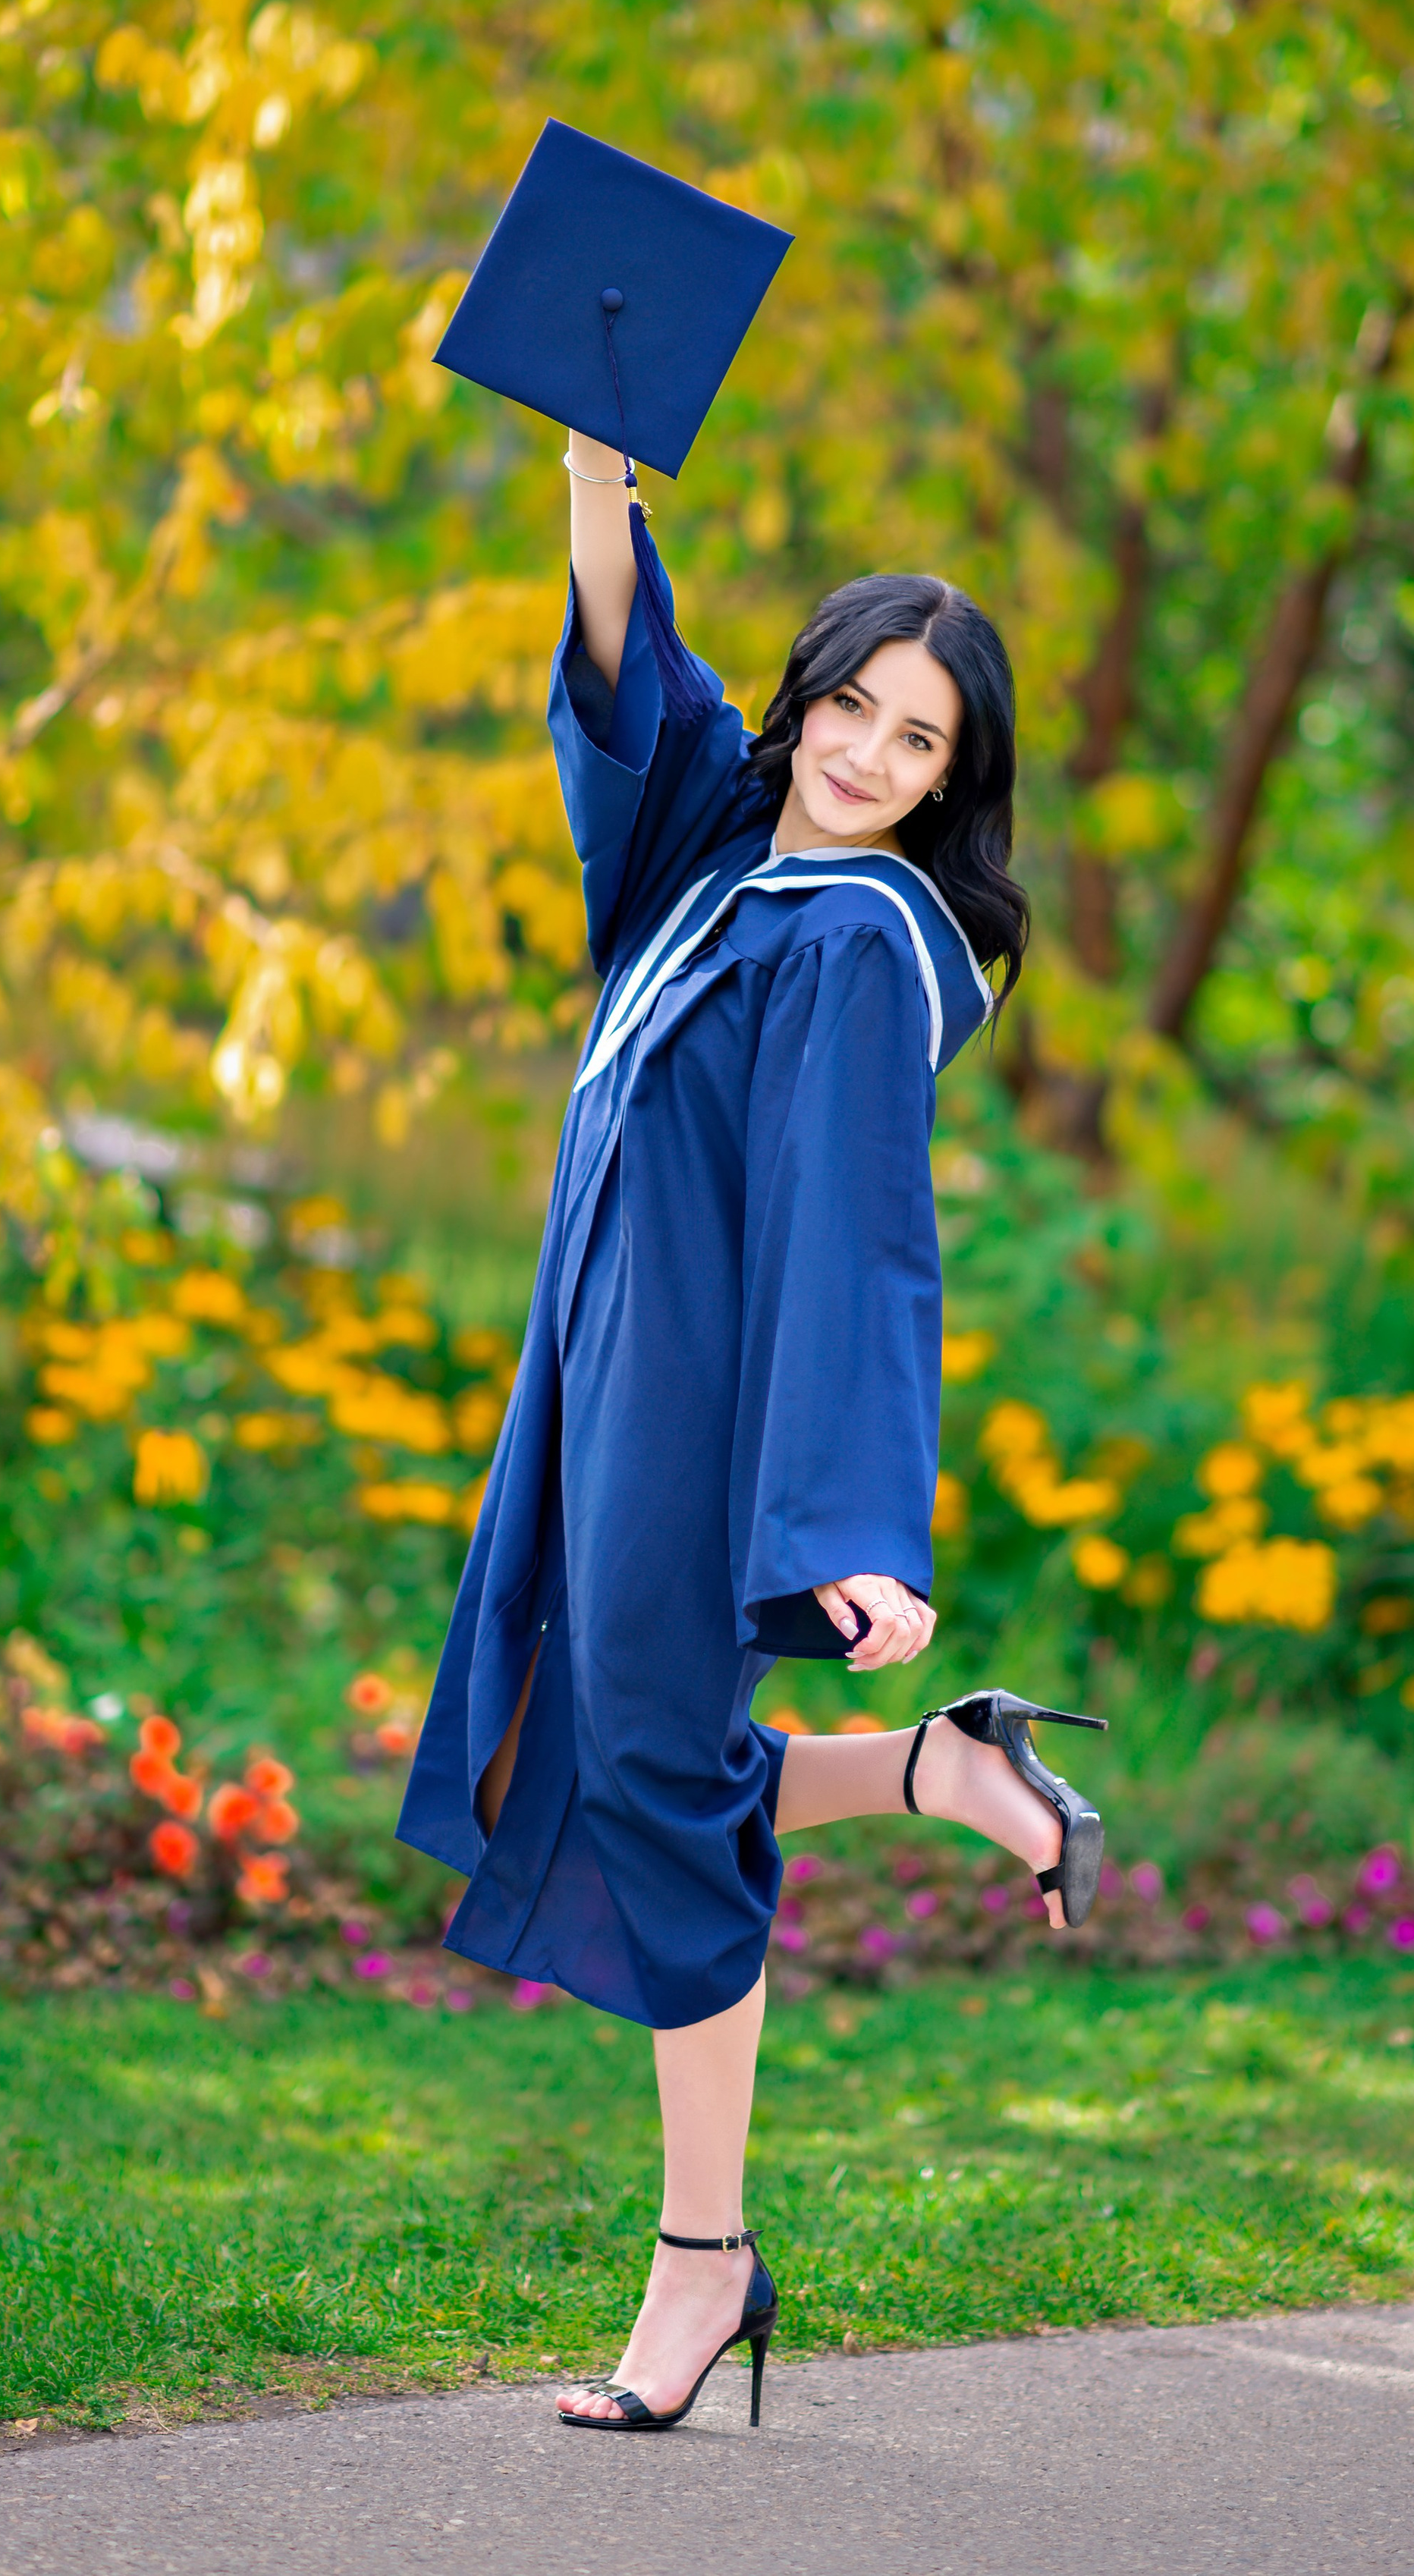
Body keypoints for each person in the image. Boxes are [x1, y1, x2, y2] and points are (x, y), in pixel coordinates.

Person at [397, 425, 1106, 2433]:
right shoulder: (731, 847)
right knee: (606, 1744)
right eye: (855, 704)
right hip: (598, 1372)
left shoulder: (863, 949)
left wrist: (849, 1522)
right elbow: (632, 669)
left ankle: (702, 2259)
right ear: (812, 698)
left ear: (955, 786)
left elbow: (857, 1238)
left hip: (702, 1422)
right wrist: (591, 467)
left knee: (648, 1786)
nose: (870, 755)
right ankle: (943, 1773)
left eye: (920, 744)